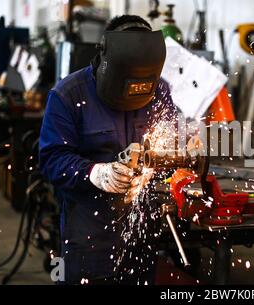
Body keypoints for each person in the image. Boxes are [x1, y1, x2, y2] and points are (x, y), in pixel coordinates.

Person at [39, 15, 177, 285]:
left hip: (141, 229)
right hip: (86, 232)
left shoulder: (159, 91)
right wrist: (96, 173)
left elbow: (167, 143)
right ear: (105, 59)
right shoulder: (67, 95)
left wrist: (158, 170)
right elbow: (51, 159)